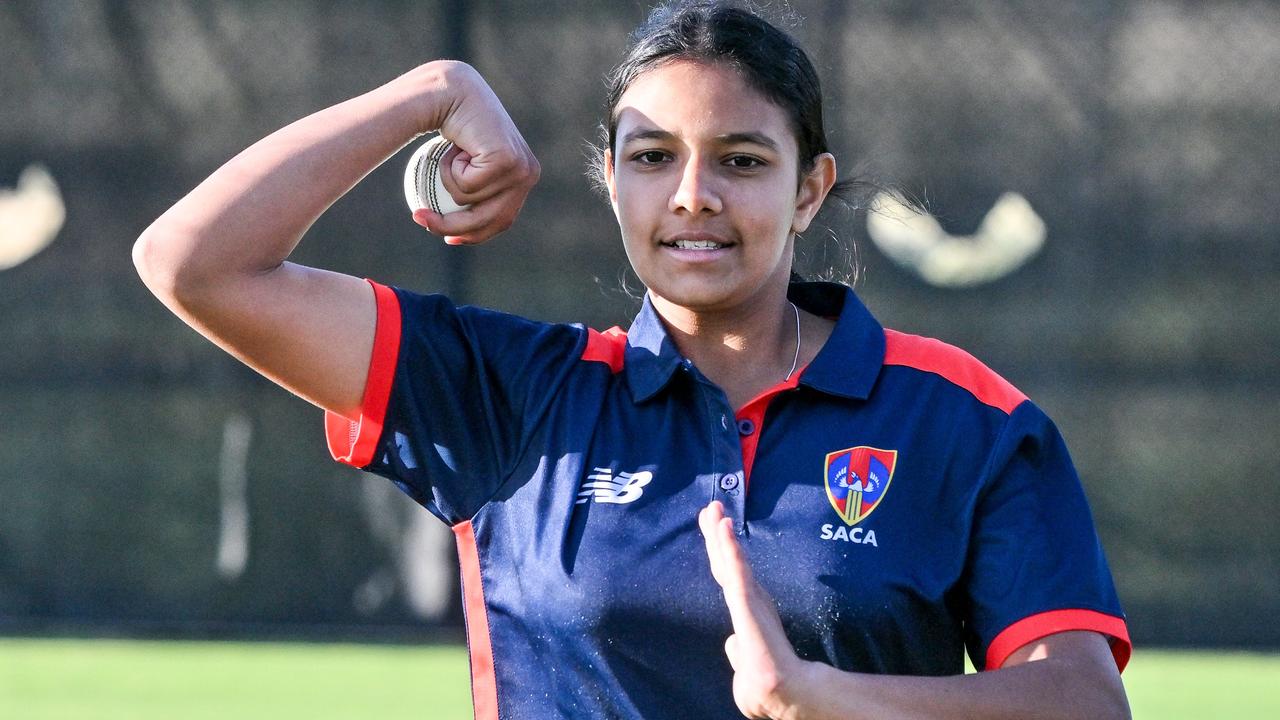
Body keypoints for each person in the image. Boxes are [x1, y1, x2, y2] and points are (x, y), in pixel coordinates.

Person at [133, 1, 1132, 718]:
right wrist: (433, 91)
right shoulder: (514, 393)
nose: (691, 195)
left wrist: (828, 698)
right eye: (651, 157)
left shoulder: (961, 416)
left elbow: (1082, 700)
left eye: (740, 161)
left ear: (808, 189)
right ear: (609, 180)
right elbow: (194, 264)